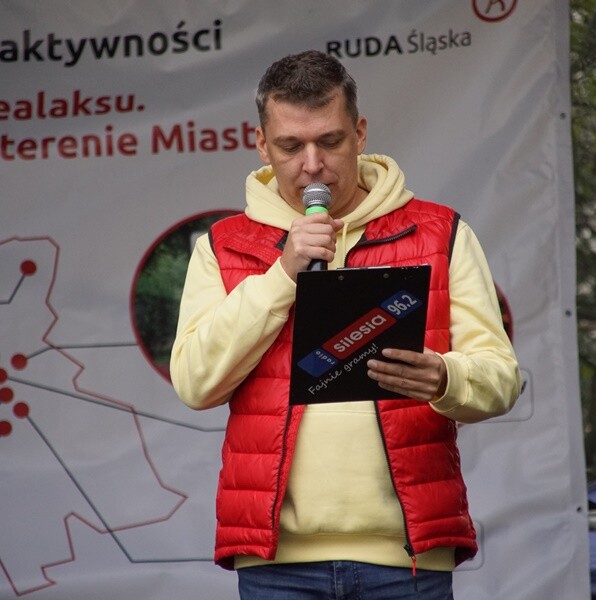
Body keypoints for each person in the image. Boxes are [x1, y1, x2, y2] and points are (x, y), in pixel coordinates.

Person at [170, 49, 521, 600]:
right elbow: (195, 383)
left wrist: (446, 377)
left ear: (359, 134)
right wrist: (282, 275)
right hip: (276, 563)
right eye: (291, 146)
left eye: (330, 141)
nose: (312, 165)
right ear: (261, 145)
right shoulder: (224, 246)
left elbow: (502, 378)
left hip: (407, 559)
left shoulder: (439, 233)